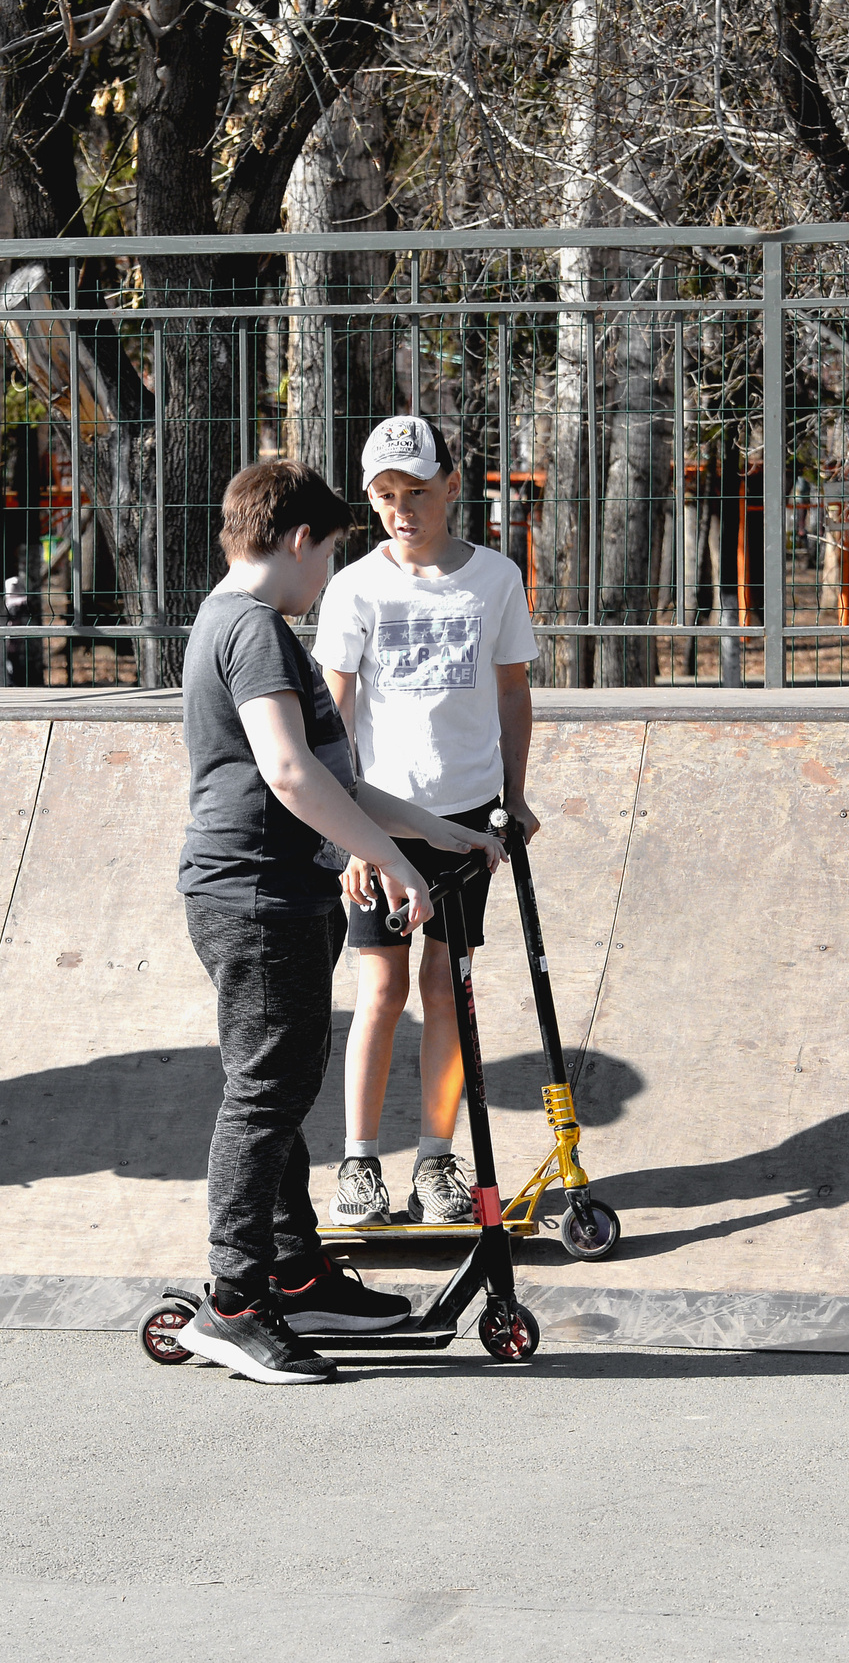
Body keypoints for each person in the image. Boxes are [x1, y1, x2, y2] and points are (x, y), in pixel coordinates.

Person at [174, 459, 506, 1385]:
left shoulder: (242, 624)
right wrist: (392, 861)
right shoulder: (252, 630)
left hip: (278, 892)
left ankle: (295, 1272)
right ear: (297, 540)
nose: (326, 578)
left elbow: (336, 780)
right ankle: (234, 1300)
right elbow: (288, 771)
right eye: (325, 555)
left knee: (277, 1089)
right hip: (256, 897)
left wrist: (442, 833)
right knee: (264, 1095)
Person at [315, 416, 540, 1230]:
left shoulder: (495, 579)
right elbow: (334, 712)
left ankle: (437, 1159)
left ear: (451, 485)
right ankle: (359, 1162)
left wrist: (515, 795)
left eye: (415, 491)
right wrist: (345, 831)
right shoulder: (356, 587)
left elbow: (512, 691)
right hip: (380, 819)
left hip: (468, 817)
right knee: (382, 987)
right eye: (385, 496)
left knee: (448, 986)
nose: (402, 509)